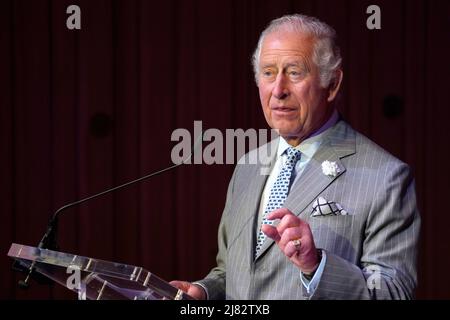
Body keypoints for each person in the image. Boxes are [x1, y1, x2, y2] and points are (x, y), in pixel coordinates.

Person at [171, 14, 420, 299]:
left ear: (333, 83)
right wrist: (202, 292)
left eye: (294, 72)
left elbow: (393, 293)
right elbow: (233, 272)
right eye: (268, 73)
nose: (278, 90)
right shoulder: (248, 167)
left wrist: (317, 266)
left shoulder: (386, 176)